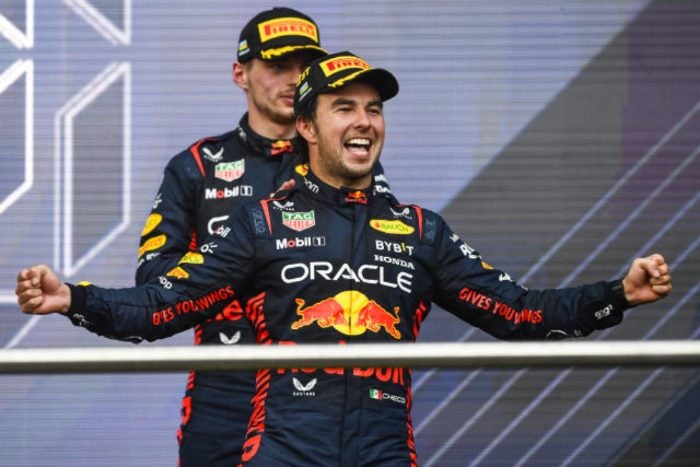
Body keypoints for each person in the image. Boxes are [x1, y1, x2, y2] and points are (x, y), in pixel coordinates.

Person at [16, 51, 672, 466]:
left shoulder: (420, 229)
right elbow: (160, 306)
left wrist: (619, 293)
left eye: (374, 108)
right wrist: (72, 297)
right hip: (281, 451)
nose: (364, 121)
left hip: (386, 450)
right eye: (344, 108)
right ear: (305, 128)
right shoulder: (261, 224)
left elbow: (521, 312)